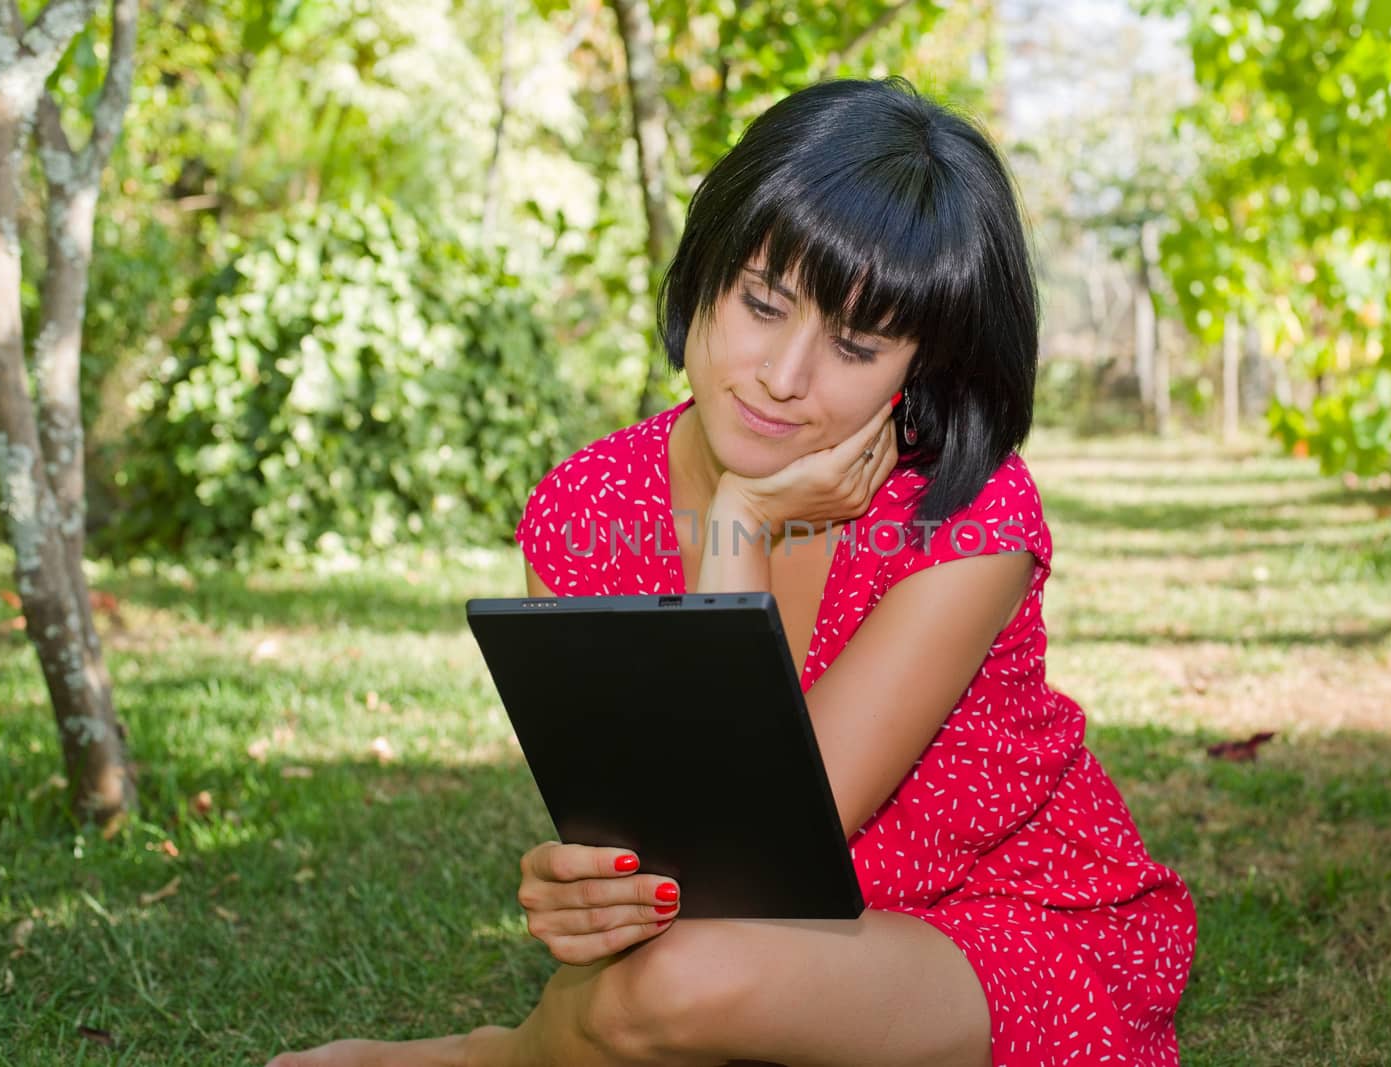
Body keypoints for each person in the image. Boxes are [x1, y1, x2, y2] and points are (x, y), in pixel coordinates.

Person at [269, 76, 1195, 1067]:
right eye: (762, 303)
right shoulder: (587, 512)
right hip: (729, 941)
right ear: (705, 271)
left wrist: (739, 522)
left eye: (855, 343)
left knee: (679, 979)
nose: (782, 376)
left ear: (917, 368)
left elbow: (754, 859)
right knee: (666, 971)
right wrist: (595, 885)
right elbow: (675, 856)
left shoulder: (968, 516)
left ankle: (484, 1057)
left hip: (995, 924)